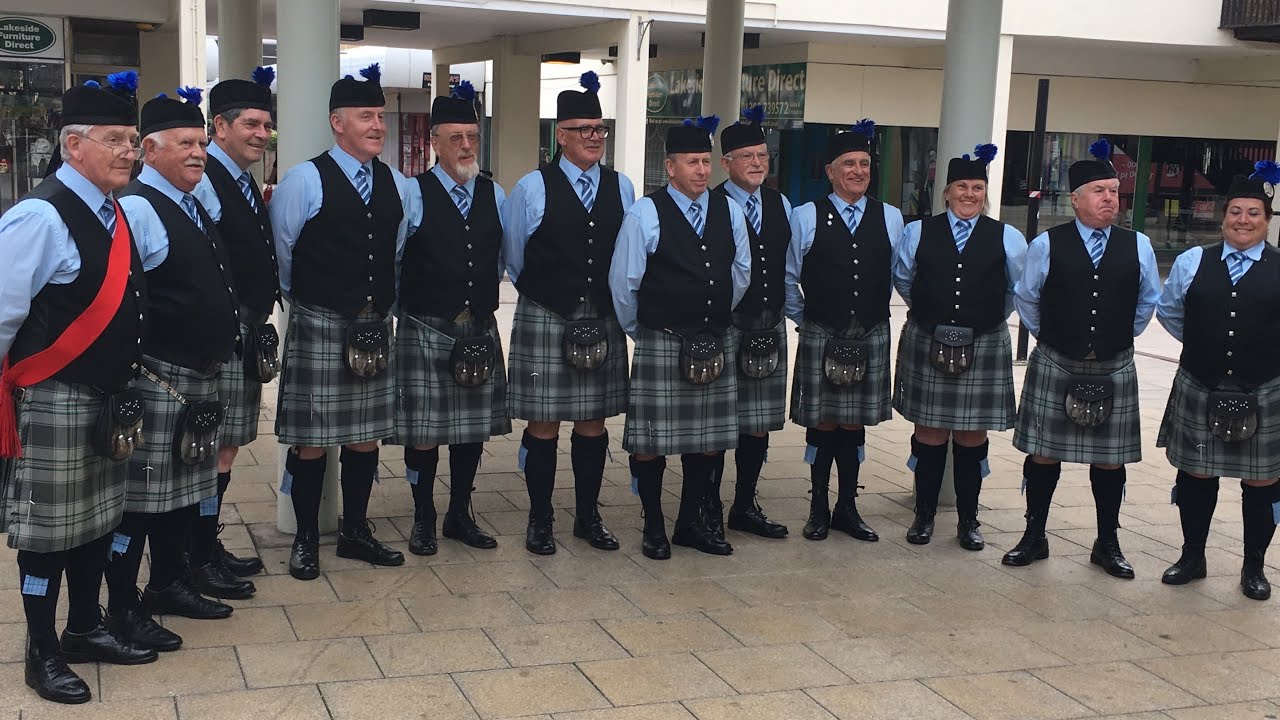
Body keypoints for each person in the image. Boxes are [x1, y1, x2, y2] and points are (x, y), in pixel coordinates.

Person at [0, 74, 157, 704]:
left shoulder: (113, 210)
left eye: (132, 139)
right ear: (73, 147)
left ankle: (86, 627)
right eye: (114, 139)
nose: (128, 151)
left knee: (96, 521)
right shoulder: (39, 216)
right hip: (54, 397)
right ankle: (42, 653)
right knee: (48, 533)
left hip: (106, 397)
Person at [106, 88, 244, 651]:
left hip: (196, 375)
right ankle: (122, 607)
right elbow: (121, 294)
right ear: (149, 149)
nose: (198, 154)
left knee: (181, 492)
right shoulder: (139, 206)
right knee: (140, 502)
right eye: (185, 144)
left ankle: (167, 584)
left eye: (203, 144)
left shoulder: (192, 200)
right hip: (160, 373)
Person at [269, 64, 407, 580]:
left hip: (373, 323)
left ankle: (354, 531)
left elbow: (393, 251)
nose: (377, 125)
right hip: (321, 320)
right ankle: (306, 539)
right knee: (311, 439)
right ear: (337, 122)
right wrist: (310, 306)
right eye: (365, 116)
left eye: (380, 116)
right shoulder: (305, 179)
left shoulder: (395, 182)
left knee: (365, 435)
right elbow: (283, 255)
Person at [1006, 139, 1160, 578]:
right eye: (1100, 191)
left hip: (1113, 363)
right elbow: (1027, 299)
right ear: (1076, 199)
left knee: (1110, 459)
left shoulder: (1139, 246)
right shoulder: (1048, 244)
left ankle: (1107, 543)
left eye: (1114, 190)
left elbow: (1148, 301)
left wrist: (1115, 339)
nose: (1110, 198)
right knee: (1042, 454)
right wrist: (1055, 340)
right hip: (1058, 360)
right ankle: (1034, 535)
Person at [503, 72, 634, 556]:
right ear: (561, 135)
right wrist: (549, 296)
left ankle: (587, 515)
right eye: (584, 129)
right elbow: (514, 258)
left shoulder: (623, 187)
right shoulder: (532, 188)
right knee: (542, 423)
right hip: (548, 313)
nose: (595, 138)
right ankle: (540, 519)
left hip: (600, 316)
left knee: (593, 421)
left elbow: (625, 256)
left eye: (600, 129)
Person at [609, 116, 751, 559]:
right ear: (670, 167)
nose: (702, 171)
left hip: (714, 336)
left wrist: (711, 314)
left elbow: (741, 272)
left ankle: (690, 522)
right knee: (651, 442)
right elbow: (624, 284)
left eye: (707, 162)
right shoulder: (645, 213)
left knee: (706, 442)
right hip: (663, 339)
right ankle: (653, 524)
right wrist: (647, 333)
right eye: (692, 162)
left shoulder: (730, 209)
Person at [891, 143, 1026, 550]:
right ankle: (924, 516)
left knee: (972, 435)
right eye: (962, 187)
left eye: (977, 187)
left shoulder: (1008, 237)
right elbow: (904, 279)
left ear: (986, 193)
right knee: (928, 432)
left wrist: (984, 320)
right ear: (946, 191)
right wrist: (932, 313)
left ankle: (969, 520)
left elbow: (1016, 289)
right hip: (928, 337)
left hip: (983, 341)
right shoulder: (917, 232)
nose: (970, 195)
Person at [394, 81, 510, 555]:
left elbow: (503, 258)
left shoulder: (494, 194)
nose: (466, 145)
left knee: (471, 430)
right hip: (427, 327)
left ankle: (460, 512)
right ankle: (423, 515)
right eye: (456, 137)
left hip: (477, 325)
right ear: (434, 143)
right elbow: (395, 259)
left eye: (472, 136)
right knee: (424, 434)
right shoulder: (412, 193)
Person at [1155, 165, 1280, 600]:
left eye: (1253, 213)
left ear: (1267, 221)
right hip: (1200, 381)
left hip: (1263, 387)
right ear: (1222, 216)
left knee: (1262, 482)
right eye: (1235, 212)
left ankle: (1254, 568)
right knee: (1196, 473)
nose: (1243, 220)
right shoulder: (1193, 261)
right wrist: (1204, 347)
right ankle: (1192, 557)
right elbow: (1169, 313)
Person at [785, 119, 903, 543]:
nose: (858, 171)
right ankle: (818, 507)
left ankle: (847, 508)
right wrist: (808, 320)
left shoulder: (890, 217)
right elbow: (787, 278)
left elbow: (897, 275)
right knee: (823, 425)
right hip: (824, 332)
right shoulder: (805, 216)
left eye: (865, 163)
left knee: (854, 427)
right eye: (849, 164)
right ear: (831, 171)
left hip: (869, 331)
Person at [187, 66, 279, 599]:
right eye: (250, 124)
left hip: (244, 328)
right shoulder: (207, 181)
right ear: (219, 126)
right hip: (221, 333)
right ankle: (197, 557)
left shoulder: (240, 179)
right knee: (210, 448)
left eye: (265, 125)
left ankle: (205, 547)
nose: (261, 134)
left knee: (225, 448)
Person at [709, 105, 790, 540]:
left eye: (762, 155)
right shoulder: (712, 203)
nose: (758, 163)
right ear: (727, 164)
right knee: (720, 423)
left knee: (757, 422)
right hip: (727, 325)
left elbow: (790, 266)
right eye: (747, 156)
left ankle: (744, 504)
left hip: (768, 324)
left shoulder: (781, 204)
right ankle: (709, 506)